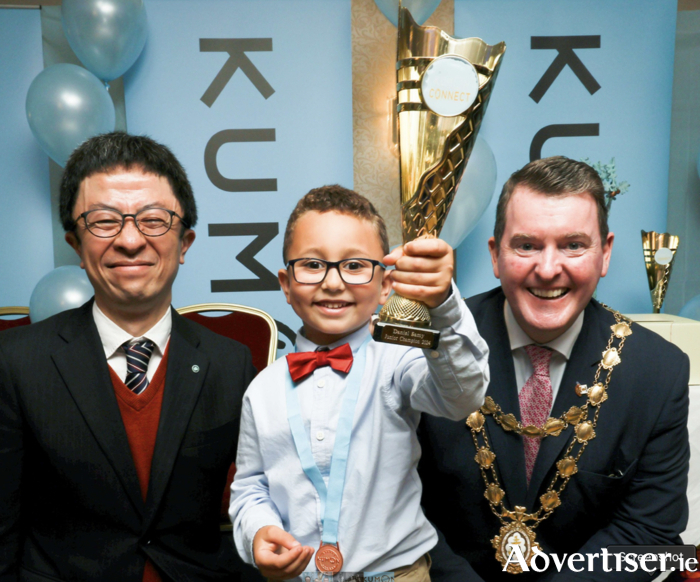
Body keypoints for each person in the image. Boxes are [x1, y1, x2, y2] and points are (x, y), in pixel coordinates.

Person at [419, 156, 690, 581]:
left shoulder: (658, 372)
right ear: (495, 254)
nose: (548, 269)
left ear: (605, 253)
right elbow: (395, 503)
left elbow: (651, 529)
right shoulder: (426, 350)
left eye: (573, 245)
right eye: (526, 245)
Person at [0, 132, 256, 582]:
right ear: (76, 245)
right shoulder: (16, 363)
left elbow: (259, 500)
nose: (131, 240)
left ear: (185, 242)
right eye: (103, 221)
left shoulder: (231, 364)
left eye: (154, 220)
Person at [229, 185, 490, 580]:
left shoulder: (400, 361)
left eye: (354, 265)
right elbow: (250, 486)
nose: (333, 283)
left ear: (386, 285)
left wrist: (443, 306)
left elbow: (463, 396)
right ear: (285, 283)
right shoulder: (262, 389)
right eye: (313, 265)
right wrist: (257, 532)